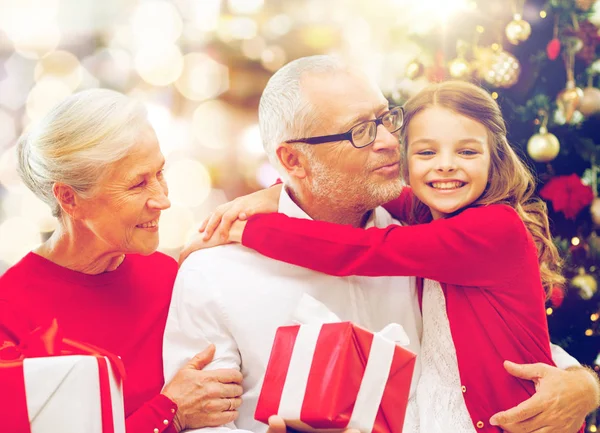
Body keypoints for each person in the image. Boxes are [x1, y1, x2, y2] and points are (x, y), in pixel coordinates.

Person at [169, 56, 599, 433]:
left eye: (386, 118)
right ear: (292, 161)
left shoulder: (418, 228)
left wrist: (584, 385)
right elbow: (203, 424)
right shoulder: (215, 272)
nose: (392, 141)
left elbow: (486, 339)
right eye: (360, 131)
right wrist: (262, 205)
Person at [0, 89, 243, 433]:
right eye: (137, 185)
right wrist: (168, 414)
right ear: (69, 198)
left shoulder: (168, 275)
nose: (162, 200)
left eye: (160, 173)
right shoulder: (8, 313)